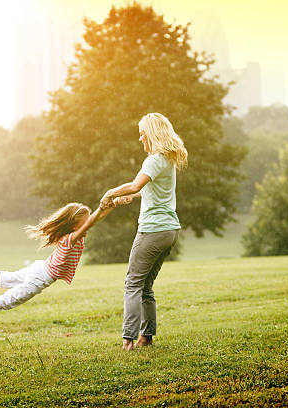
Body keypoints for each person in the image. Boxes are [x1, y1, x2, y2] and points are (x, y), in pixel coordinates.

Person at [0, 201, 120, 325]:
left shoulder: (73, 236)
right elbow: (92, 222)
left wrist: (113, 205)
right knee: (7, 300)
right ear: (75, 226)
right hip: (41, 276)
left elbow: (96, 219)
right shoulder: (70, 239)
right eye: (84, 224)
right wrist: (104, 205)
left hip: (40, 267)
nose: (88, 226)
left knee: (8, 277)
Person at [100, 112, 188, 350]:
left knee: (132, 283)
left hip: (152, 230)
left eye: (142, 134)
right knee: (145, 286)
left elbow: (137, 183)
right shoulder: (166, 159)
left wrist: (111, 193)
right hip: (170, 230)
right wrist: (130, 196)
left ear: (152, 133)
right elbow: (146, 189)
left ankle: (127, 340)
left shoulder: (153, 159)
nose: (140, 139)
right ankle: (145, 337)